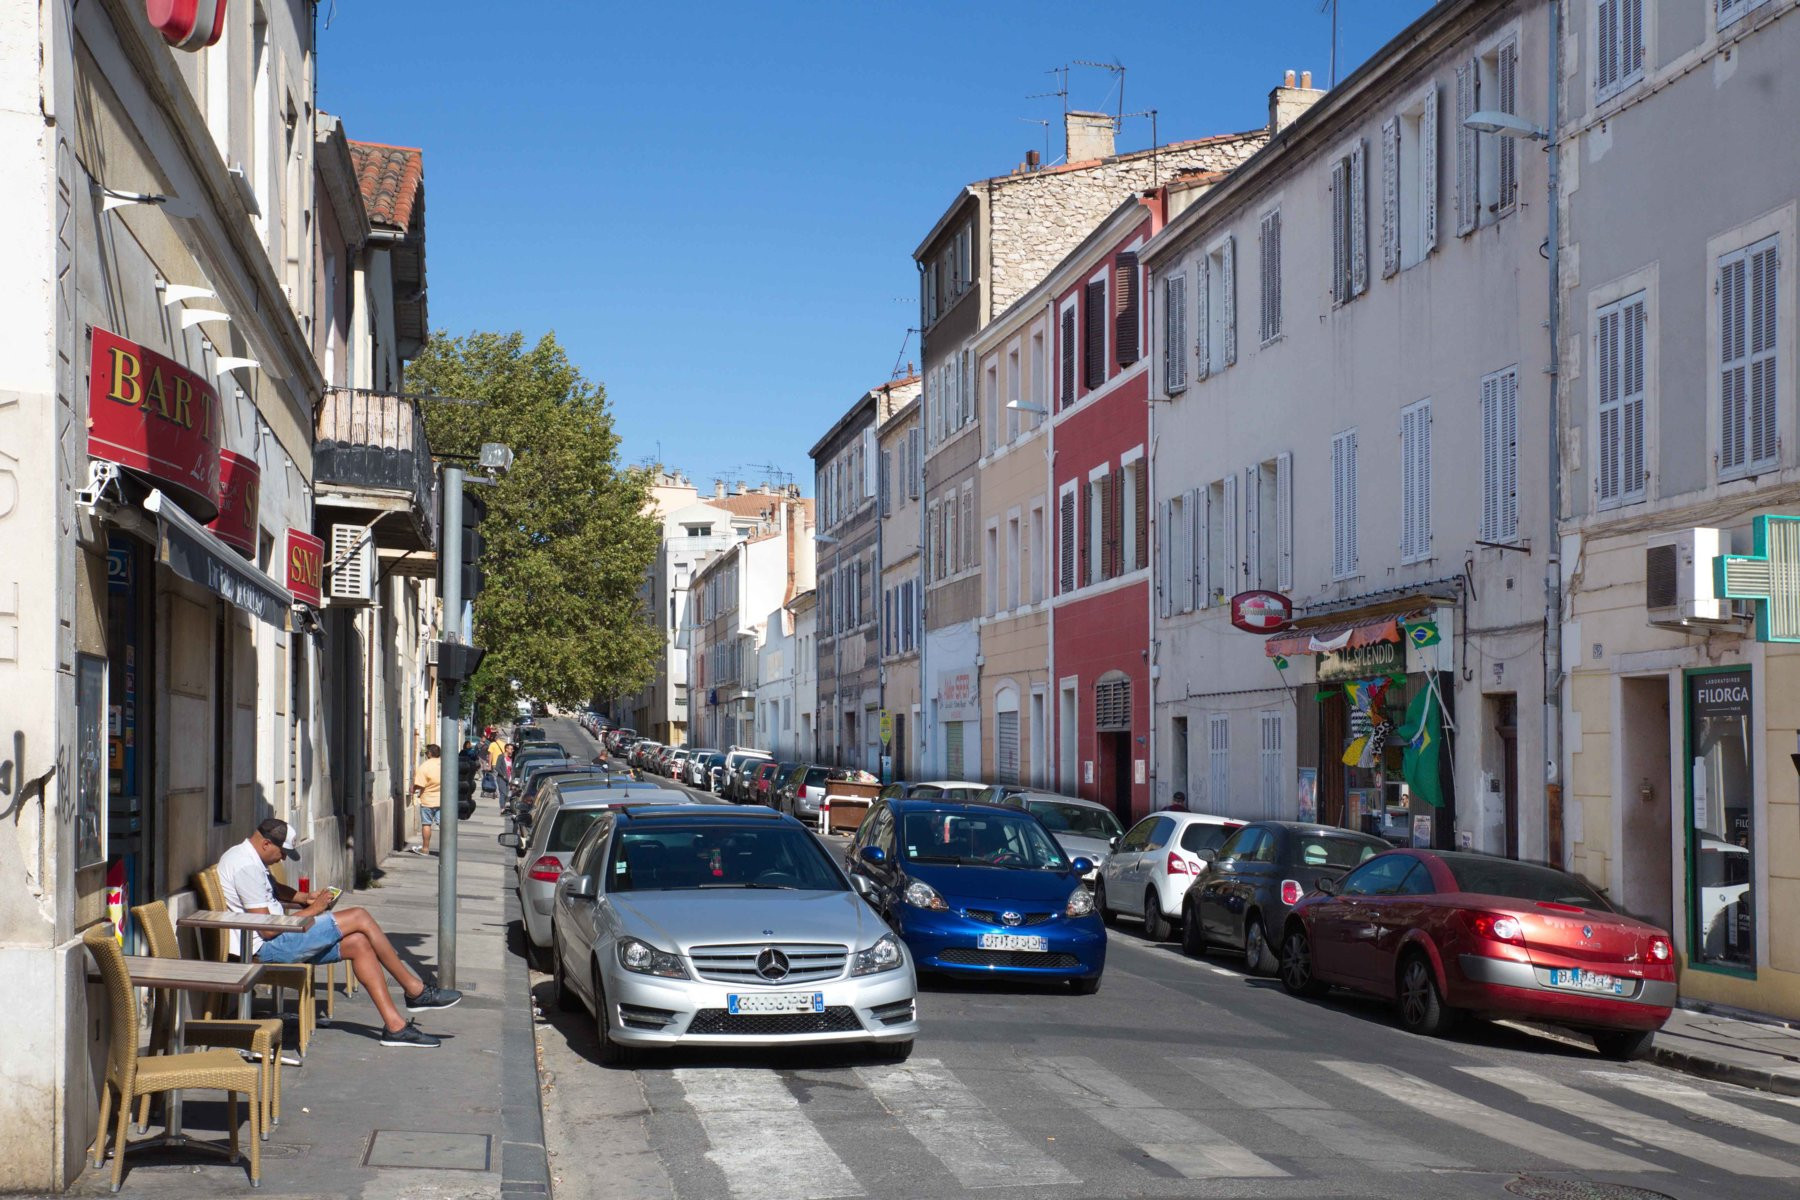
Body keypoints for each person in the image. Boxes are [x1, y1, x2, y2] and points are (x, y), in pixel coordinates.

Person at [218, 818, 459, 1048]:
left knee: (359, 942)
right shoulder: (246, 867)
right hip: (266, 947)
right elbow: (268, 930)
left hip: (280, 938)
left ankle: (395, 1027)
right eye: (281, 853)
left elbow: (272, 889)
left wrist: (305, 897)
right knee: (359, 916)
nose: (282, 859)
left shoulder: (248, 856)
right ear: (266, 843)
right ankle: (415, 990)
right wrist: (314, 909)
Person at [412, 744, 442, 855]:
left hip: (427, 800)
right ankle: (446, 850)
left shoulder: (424, 766)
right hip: (442, 801)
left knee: (426, 824)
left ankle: (425, 849)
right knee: (444, 825)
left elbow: (419, 784)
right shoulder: (445, 765)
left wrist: (412, 789)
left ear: (429, 753)